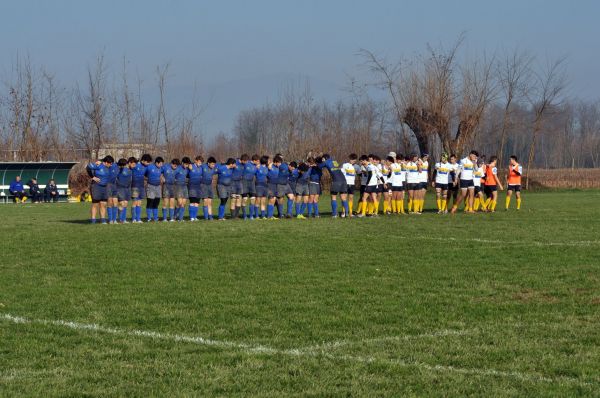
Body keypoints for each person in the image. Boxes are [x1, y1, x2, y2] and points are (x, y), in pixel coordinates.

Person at [318, 154, 348, 218]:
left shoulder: (326, 162)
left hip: (336, 181)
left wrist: (318, 163)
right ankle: (347, 213)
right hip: (344, 180)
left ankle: (334, 214)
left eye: (322, 159)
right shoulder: (334, 161)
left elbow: (319, 166)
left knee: (333, 197)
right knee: (343, 197)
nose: (322, 160)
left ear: (324, 158)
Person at [87, 155, 114, 223]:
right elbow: (88, 167)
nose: (111, 165)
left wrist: (101, 160)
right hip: (96, 186)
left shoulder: (109, 167)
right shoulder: (98, 165)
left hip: (105, 187)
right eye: (110, 164)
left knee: (103, 204)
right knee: (95, 204)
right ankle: (93, 220)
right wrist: (92, 177)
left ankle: (103, 220)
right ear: (106, 162)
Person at [130, 154, 151, 223]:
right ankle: (133, 219)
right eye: (148, 162)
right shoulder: (136, 164)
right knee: (134, 202)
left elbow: (148, 174)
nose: (148, 163)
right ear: (143, 160)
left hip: (141, 187)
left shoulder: (146, 167)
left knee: (139, 203)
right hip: (135, 186)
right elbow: (127, 165)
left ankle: (138, 219)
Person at [144, 157, 164, 222]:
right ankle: (149, 218)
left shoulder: (161, 168)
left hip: (158, 187)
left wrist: (162, 178)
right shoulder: (149, 167)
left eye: (162, 163)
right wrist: (147, 179)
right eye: (160, 163)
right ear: (156, 163)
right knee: (150, 201)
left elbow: (162, 174)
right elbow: (144, 174)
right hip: (150, 186)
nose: (161, 165)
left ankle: (155, 218)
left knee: (157, 202)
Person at [115, 158, 134, 223]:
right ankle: (120, 219)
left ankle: (124, 219)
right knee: (121, 203)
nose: (123, 166)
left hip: (128, 188)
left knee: (125, 203)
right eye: (121, 165)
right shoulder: (117, 170)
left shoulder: (130, 170)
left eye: (124, 165)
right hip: (120, 188)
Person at [341, 153, 358, 217]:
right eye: (352, 160)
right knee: (344, 198)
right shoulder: (345, 165)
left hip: (352, 184)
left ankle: (350, 212)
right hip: (345, 184)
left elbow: (359, 172)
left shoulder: (356, 166)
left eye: (355, 160)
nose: (353, 161)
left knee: (351, 198)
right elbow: (341, 173)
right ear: (350, 159)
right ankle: (343, 212)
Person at [241, 154, 258, 220]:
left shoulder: (256, 166)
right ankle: (245, 215)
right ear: (254, 160)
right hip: (244, 183)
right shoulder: (246, 163)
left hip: (251, 183)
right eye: (257, 161)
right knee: (244, 199)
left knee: (253, 199)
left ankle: (251, 216)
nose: (258, 162)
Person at [187, 156, 204, 221]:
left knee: (197, 202)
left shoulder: (201, 168)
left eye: (201, 163)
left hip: (199, 187)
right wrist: (189, 165)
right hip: (191, 186)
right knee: (192, 202)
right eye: (199, 162)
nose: (200, 164)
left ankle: (195, 217)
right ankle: (191, 217)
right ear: (195, 161)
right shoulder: (190, 166)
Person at [174, 157, 190, 221]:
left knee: (183, 203)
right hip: (178, 186)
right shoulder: (177, 168)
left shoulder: (188, 169)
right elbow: (172, 175)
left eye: (187, 164)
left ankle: (180, 218)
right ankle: (175, 216)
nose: (186, 166)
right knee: (179, 203)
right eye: (186, 164)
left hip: (185, 187)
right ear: (182, 163)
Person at [106, 160, 120, 224]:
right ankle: (110, 219)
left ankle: (115, 220)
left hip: (115, 185)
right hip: (108, 185)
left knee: (115, 202)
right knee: (110, 202)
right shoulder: (105, 166)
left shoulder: (116, 166)